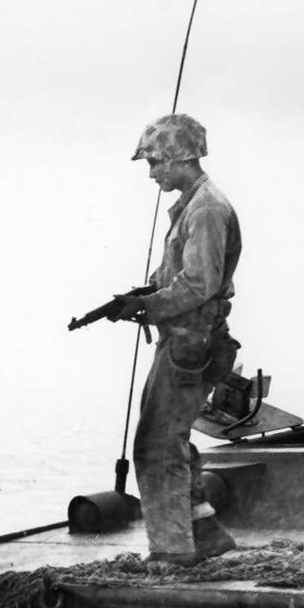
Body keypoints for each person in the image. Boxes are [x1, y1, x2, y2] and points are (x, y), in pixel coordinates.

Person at [110, 113, 241, 567]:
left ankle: (171, 550)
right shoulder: (195, 204)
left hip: (189, 342)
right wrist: (144, 295)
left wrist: (147, 307)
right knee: (172, 439)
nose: (152, 173)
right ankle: (205, 535)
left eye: (154, 162)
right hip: (186, 340)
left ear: (179, 157)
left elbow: (199, 283)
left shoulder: (205, 208)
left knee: (156, 445)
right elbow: (180, 276)